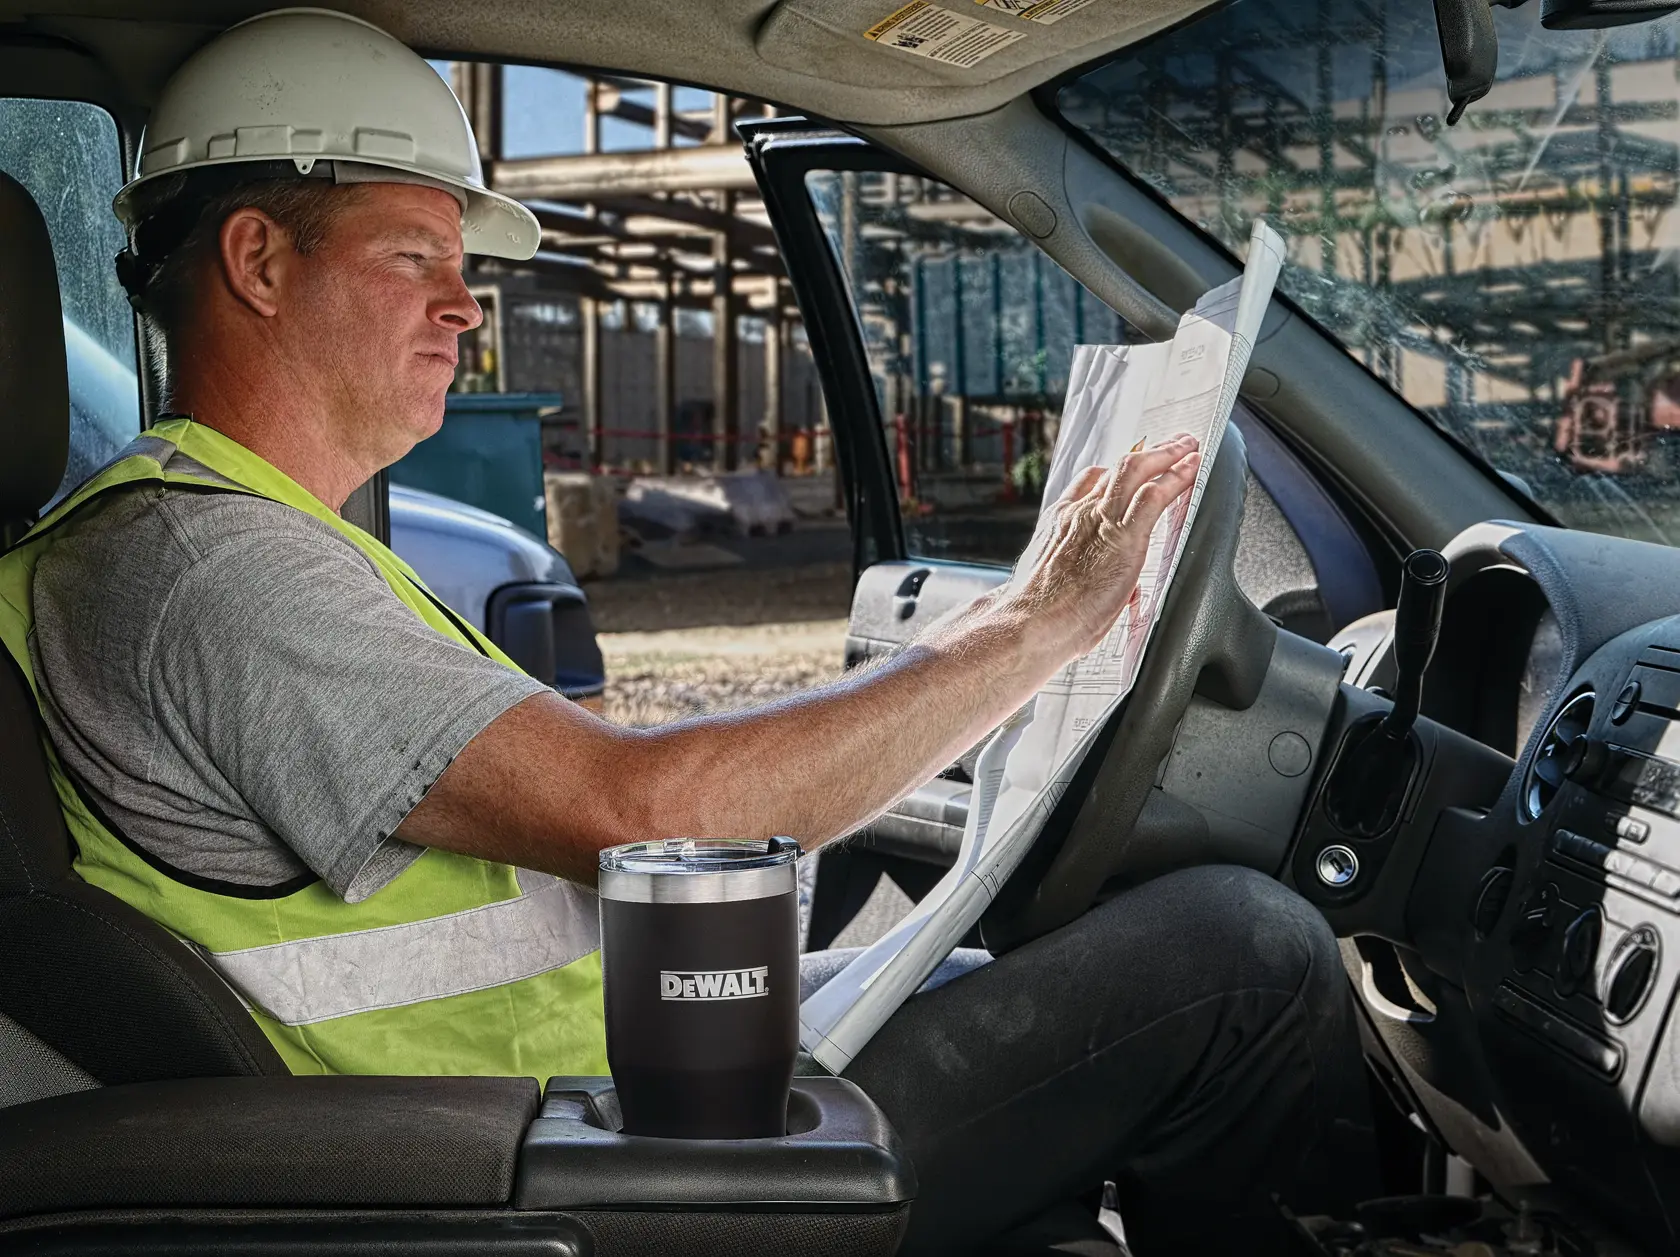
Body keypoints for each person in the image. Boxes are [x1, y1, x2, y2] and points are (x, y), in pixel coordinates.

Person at [0, 10, 1375, 1253]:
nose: (465, 302)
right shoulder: (206, 569)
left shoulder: (221, 538)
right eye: (416, 253)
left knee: (995, 978)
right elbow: (635, 808)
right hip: (528, 1170)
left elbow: (564, 795)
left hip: (563, 1102)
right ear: (256, 261)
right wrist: (1035, 622)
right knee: (1242, 951)